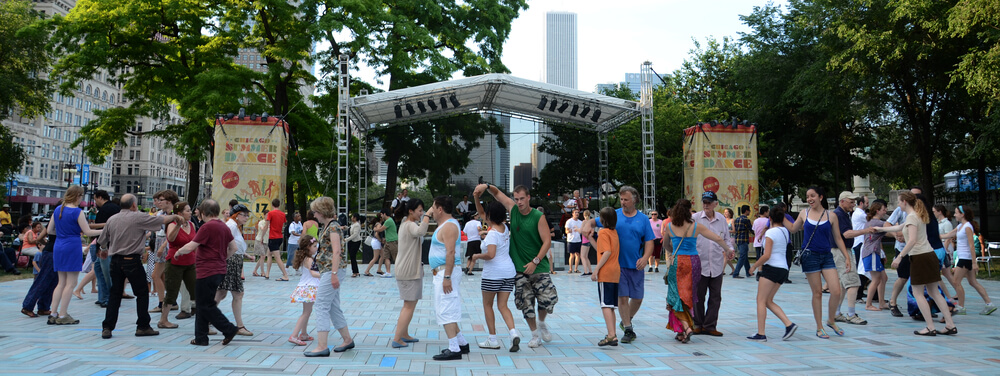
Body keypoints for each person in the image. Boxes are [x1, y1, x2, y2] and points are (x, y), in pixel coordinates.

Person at [475, 183, 555, 349]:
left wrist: (536, 261)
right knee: (525, 304)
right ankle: (534, 335)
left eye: (522, 199)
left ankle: (541, 322)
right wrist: (487, 185)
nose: (518, 202)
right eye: (516, 199)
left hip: (538, 267)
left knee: (547, 300)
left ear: (528, 198)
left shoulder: (537, 216)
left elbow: (547, 241)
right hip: (518, 268)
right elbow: (498, 195)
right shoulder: (513, 210)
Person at [97, 194, 180, 339]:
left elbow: (102, 240)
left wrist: (104, 250)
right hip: (132, 260)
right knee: (141, 293)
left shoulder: (112, 219)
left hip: (115, 261)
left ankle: (107, 327)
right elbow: (161, 220)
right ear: (134, 205)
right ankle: (143, 326)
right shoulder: (138, 217)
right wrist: (175, 217)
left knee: (114, 295)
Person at [874, 192, 957, 335]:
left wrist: (899, 257)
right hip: (929, 255)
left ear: (905, 202)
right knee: (934, 292)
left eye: (899, 202)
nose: (898, 205)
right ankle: (950, 325)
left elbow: (911, 241)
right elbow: (899, 228)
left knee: (918, 293)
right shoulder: (917, 215)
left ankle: (930, 327)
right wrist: (881, 229)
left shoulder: (912, 216)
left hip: (920, 257)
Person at [582, 186, 655, 344]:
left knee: (637, 298)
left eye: (626, 199)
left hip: (636, 264)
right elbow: (591, 222)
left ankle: (625, 320)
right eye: (621, 199)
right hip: (617, 266)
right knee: (622, 298)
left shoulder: (643, 219)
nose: (623, 202)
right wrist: (586, 227)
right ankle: (628, 329)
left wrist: (645, 257)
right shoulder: (614, 215)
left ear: (634, 199)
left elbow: (650, 241)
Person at [783, 186, 853, 339]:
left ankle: (830, 320)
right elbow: (794, 229)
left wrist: (846, 257)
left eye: (812, 196)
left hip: (827, 256)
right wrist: (780, 215)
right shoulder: (804, 213)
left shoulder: (831, 215)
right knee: (817, 293)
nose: (809, 199)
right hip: (810, 256)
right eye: (807, 196)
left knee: (836, 291)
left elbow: (838, 238)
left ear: (821, 197)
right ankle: (819, 327)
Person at [662, 199, 731, 343]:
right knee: (689, 295)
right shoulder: (695, 226)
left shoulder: (669, 226)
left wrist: (674, 251)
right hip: (694, 262)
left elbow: (666, 245)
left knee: (675, 295)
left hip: (678, 261)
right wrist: (727, 249)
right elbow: (717, 238)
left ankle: (685, 327)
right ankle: (683, 329)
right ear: (689, 211)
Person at [173, 200, 241, 346]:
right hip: (219, 270)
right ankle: (201, 337)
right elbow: (234, 248)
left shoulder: (206, 227)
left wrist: (179, 252)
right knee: (203, 303)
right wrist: (223, 258)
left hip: (206, 270)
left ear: (204, 213)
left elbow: (192, 245)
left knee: (205, 305)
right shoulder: (224, 226)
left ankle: (228, 329)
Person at [303, 197, 355, 357]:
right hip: (330, 270)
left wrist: (333, 274)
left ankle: (322, 346)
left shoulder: (333, 227)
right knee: (332, 306)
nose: (314, 214)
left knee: (321, 305)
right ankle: (347, 340)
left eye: (316, 211)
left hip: (332, 270)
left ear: (322, 212)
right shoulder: (330, 226)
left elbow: (337, 251)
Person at [48, 186, 102, 325]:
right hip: (72, 246)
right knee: (71, 283)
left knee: (60, 282)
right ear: (77, 195)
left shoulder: (58, 209)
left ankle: (53, 313)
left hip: (59, 245)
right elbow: (88, 232)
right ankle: (63, 314)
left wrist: (63, 234)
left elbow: (50, 230)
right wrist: (104, 230)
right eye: (81, 196)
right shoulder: (77, 212)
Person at [471, 201, 521, 351]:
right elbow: (482, 214)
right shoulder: (504, 228)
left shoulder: (492, 234)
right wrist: (476, 198)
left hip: (493, 274)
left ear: (491, 216)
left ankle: (492, 339)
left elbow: (491, 255)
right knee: (503, 305)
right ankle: (513, 333)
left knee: (487, 305)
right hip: (508, 272)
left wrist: (477, 256)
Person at [426, 196, 470, 361]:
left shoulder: (450, 226)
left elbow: (450, 252)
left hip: (446, 272)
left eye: (433, 207)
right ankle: (461, 343)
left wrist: (447, 277)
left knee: (446, 309)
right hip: (443, 272)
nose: (431, 211)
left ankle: (454, 348)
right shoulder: (445, 225)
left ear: (440, 209)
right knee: (446, 307)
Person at [747, 205, 797, 342]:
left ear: (770, 219)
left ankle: (761, 333)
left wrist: (754, 267)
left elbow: (766, 255)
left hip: (772, 268)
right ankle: (789, 324)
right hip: (783, 269)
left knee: (760, 300)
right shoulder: (785, 231)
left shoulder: (770, 233)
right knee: (768, 300)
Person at [690, 191, 735, 337]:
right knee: (698, 296)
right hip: (699, 264)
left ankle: (710, 326)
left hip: (716, 264)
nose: (706, 205)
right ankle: (697, 324)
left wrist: (730, 250)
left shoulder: (721, 219)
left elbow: (726, 239)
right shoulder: (695, 218)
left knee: (715, 297)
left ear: (716, 203)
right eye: (704, 202)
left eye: (709, 202)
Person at [939, 205, 996, 315]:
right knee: (973, 282)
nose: (954, 215)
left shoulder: (967, 227)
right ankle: (989, 304)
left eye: (956, 213)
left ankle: (961, 307)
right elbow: (948, 235)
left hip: (965, 258)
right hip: (964, 258)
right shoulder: (960, 226)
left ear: (962, 214)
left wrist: (974, 263)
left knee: (956, 282)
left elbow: (971, 246)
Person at [392, 199, 431, 348]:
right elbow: (421, 231)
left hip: (406, 269)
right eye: (420, 211)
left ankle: (404, 334)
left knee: (409, 304)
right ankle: (397, 338)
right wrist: (428, 215)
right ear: (411, 211)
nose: (421, 214)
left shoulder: (405, 223)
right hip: (407, 271)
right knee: (408, 305)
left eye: (423, 211)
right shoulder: (410, 224)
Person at [831, 192, 872, 325]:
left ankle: (836, 313)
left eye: (855, 201)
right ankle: (851, 314)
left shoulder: (841, 214)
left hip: (839, 251)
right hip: (842, 251)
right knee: (853, 283)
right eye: (851, 201)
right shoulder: (840, 215)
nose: (854, 204)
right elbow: (847, 234)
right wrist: (866, 230)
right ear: (842, 201)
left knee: (843, 284)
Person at [157, 201, 197, 329]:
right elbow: (171, 239)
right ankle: (163, 320)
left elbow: (195, 243)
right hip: (175, 262)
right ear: (179, 213)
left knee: (196, 291)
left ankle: (205, 319)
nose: (190, 213)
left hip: (190, 262)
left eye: (190, 210)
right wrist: (178, 226)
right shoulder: (172, 225)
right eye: (187, 211)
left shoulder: (192, 224)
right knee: (172, 292)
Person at [218, 204, 254, 336]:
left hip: (234, 261)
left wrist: (246, 255)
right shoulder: (231, 226)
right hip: (231, 262)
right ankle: (240, 326)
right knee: (237, 294)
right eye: (243, 215)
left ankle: (206, 317)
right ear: (235, 215)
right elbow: (223, 245)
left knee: (221, 293)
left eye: (247, 215)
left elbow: (236, 246)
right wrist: (225, 259)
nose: (246, 217)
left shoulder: (235, 226)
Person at [592, 207, 620, 346]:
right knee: (611, 306)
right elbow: (601, 249)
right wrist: (589, 237)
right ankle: (612, 334)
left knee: (605, 305)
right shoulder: (614, 232)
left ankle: (611, 335)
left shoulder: (603, 232)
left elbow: (606, 252)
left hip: (606, 272)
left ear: (602, 220)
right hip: (615, 271)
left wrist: (596, 270)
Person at [88, 190, 119, 308]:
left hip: (105, 245)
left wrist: (90, 227)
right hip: (111, 244)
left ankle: (108, 298)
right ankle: (103, 297)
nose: (95, 202)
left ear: (100, 197)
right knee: (99, 269)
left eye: (95, 199)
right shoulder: (115, 207)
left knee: (105, 273)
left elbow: (104, 226)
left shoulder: (105, 209)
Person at [288, 235, 321, 346]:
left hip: (306, 287)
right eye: (315, 246)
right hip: (309, 287)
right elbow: (313, 273)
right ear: (308, 247)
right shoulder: (309, 259)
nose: (317, 248)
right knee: (306, 312)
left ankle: (304, 334)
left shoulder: (306, 258)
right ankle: (294, 335)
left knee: (307, 311)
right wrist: (325, 275)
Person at [21, 214, 54, 318]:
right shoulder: (61, 219)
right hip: (52, 252)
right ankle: (28, 306)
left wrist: (47, 244)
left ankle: (44, 307)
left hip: (51, 250)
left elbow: (40, 237)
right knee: (44, 280)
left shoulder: (55, 219)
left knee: (52, 281)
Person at [862, 200, 889, 311]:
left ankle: (881, 302)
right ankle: (868, 304)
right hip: (871, 253)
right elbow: (891, 230)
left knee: (883, 277)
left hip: (873, 253)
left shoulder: (871, 222)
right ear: (877, 211)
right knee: (876, 279)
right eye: (884, 209)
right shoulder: (877, 223)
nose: (885, 211)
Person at [932, 204, 960, 301]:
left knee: (941, 274)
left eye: (934, 211)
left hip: (944, 249)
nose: (933, 213)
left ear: (939, 211)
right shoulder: (937, 222)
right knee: (946, 274)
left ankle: (952, 294)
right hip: (941, 249)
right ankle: (957, 291)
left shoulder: (946, 223)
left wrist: (944, 250)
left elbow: (948, 238)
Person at [264, 199, 290, 281]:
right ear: (279, 205)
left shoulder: (270, 213)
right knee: (269, 254)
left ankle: (285, 275)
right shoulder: (282, 214)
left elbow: (266, 226)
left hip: (273, 237)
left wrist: (262, 237)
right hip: (279, 237)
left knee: (277, 257)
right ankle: (267, 273)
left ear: (272, 205)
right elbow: (283, 223)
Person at [852, 196, 872, 302]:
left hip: (860, 242)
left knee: (862, 268)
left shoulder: (859, 213)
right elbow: (872, 221)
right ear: (861, 203)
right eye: (867, 203)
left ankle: (862, 293)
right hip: (860, 243)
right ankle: (858, 294)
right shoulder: (860, 214)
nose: (868, 205)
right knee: (862, 269)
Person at [374, 209, 398, 278]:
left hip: (393, 241)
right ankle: (388, 272)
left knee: (396, 257)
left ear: (384, 214)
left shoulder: (389, 221)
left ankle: (401, 272)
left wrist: (375, 229)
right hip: (388, 241)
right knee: (386, 257)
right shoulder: (387, 221)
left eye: (381, 214)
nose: (381, 216)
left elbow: (381, 229)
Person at [732, 205, 754, 278]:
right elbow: (750, 229)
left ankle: (748, 272)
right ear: (746, 211)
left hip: (738, 239)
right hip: (743, 239)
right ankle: (736, 273)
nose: (749, 212)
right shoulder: (746, 220)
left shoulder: (737, 219)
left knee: (744, 256)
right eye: (749, 210)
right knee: (742, 256)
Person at [565, 209, 583, 274]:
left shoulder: (580, 222)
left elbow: (581, 231)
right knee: (572, 255)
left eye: (578, 212)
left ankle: (576, 269)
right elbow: (566, 231)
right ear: (572, 213)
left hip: (578, 239)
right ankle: (570, 269)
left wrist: (578, 230)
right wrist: (570, 230)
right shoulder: (569, 221)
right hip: (571, 240)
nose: (577, 214)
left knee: (578, 254)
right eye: (575, 212)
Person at [580, 210, 594, 276]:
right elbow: (593, 231)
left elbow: (581, 231)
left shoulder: (584, 222)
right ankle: (590, 270)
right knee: (586, 256)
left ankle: (585, 271)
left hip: (584, 241)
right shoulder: (590, 222)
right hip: (589, 241)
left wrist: (577, 229)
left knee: (582, 256)